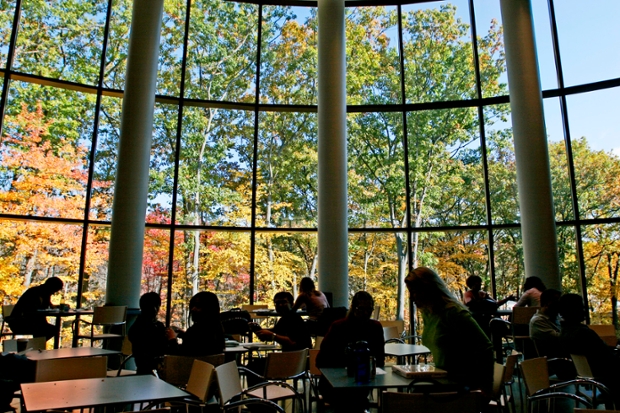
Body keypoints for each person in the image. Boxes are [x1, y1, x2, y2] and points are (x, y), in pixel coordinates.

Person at [405, 267, 494, 395]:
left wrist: (485, 390)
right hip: (442, 381)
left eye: (414, 292)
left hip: (459, 386)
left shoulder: (454, 313)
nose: (411, 298)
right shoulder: (429, 314)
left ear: (428, 289)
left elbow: (485, 348)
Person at [316, 291, 385, 412]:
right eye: (361, 309)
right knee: (354, 401)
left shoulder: (375, 328)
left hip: (360, 383)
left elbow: (380, 359)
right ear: (353, 308)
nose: (365, 313)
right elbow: (321, 360)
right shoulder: (338, 327)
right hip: (335, 384)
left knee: (354, 400)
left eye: (369, 309)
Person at [559, 293, 620, 403]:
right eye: (581, 307)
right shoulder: (583, 333)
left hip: (596, 376)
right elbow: (607, 359)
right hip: (610, 377)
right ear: (573, 310)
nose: (584, 310)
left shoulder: (566, 332)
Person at [128, 292, 177, 375]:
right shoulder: (155, 327)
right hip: (154, 370)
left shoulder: (135, 327)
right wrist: (172, 340)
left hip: (142, 370)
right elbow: (167, 350)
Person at [7, 277, 64, 341]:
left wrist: (58, 307)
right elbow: (30, 310)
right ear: (50, 287)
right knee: (49, 330)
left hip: (33, 322)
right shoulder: (34, 293)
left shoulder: (44, 293)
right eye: (54, 290)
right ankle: (35, 345)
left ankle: (35, 345)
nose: (53, 293)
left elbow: (49, 306)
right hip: (20, 322)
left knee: (50, 330)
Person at [176, 291, 225, 356]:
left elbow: (180, 356)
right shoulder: (217, 330)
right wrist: (185, 335)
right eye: (192, 306)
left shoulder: (194, 332)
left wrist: (172, 340)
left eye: (198, 306)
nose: (193, 309)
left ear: (209, 309)